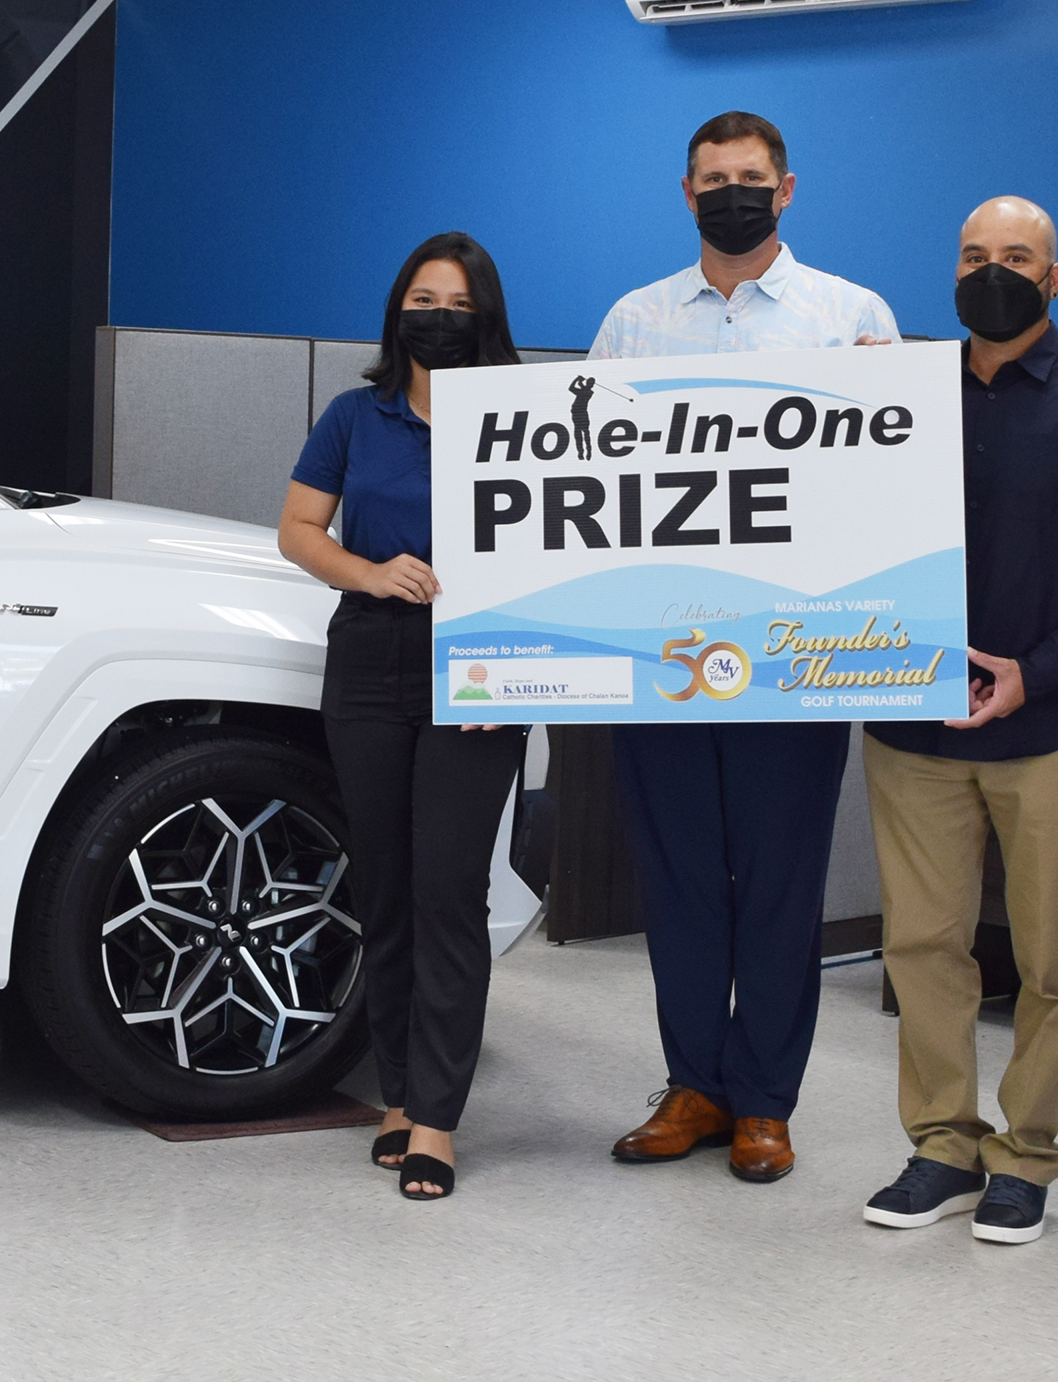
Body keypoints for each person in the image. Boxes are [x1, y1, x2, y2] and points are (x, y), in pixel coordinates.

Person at [591, 111, 897, 1185]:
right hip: (661, 651)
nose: (733, 192)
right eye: (713, 178)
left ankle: (764, 1098)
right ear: (686, 193)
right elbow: (582, 482)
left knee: (778, 880)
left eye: (750, 177)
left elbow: (889, 488)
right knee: (677, 878)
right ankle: (693, 1084)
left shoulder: (852, 317)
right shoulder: (631, 322)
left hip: (796, 656)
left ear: (786, 189)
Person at [858, 197, 1058, 1248]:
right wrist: (837, 394)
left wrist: (1037, 673)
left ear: (1054, 278)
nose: (993, 271)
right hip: (912, 720)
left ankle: (1025, 1156)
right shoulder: (897, 391)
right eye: (974, 255)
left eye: (1018, 257)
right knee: (921, 943)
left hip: (1049, 727)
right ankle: (941, 1145)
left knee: (1050, 958)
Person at [279, 233, 529, 1202]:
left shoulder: (524, 417)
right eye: (422, 299)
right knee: (382, 889)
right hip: (371, 658)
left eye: (457, 303)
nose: (437, 317)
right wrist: (370, 571)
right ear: (397, 311)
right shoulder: (355, 414)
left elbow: (560, 548)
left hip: (482, 665)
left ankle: (436, 1117)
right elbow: (298, 529)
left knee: (447, 891)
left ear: (484, 317)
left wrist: (516, 669)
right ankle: (396, 1091)